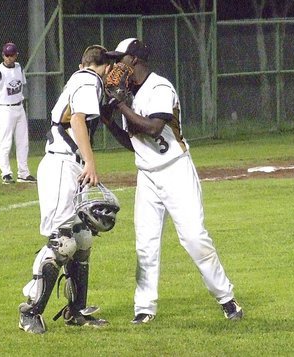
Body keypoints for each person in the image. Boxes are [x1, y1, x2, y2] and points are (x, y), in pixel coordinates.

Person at [104, 38, 244, 324]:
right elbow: (136, 143)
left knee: (194, 238)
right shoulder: (128, 94)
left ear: (135, 61)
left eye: (121, 59)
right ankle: (144, 308)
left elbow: (154, 129)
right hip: (147, 176)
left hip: (176, 171)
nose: (117, 66)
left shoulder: (160, 87)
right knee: (145, 244)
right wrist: (109, 121)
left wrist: (119, 105)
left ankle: (227, 299)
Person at [18, 45, 112, 334]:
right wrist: (91, 162)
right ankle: (30, 312)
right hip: (61, 166)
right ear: (103, 66)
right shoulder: (88, 80)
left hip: (68, 165)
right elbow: (77, 119)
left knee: (82, 239)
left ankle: (76, 311)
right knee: (63, 243)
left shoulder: (81, 79)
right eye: (111, 68)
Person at [0, 42, 36, 184]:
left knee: (23, 141)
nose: (9, 57)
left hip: (19, 107)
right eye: (7, 55)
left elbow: (23, 85)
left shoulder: (19, 68)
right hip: (4, 108)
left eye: (12, 55)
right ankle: (6, 173)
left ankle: (23, 173)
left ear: (16, 55)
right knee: (5, 142)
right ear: (3, 55)